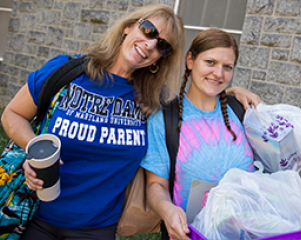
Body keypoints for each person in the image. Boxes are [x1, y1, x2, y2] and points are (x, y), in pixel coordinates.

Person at [1, 4, 260, 240]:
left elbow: (198, 97)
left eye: (163, 46)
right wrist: (35, 149)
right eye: (148, 31)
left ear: (162, 58)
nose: (150, 45)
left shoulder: (152, 101)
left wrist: (232, 91)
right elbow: (12, 114)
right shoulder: (67, 71)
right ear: (128, 27)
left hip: (96, 228)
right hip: (33, 214)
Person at [141, 28, 255, 240]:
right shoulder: (164, 119)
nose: (218, 74)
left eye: (227, 67)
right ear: (190, 61)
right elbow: (156, 185)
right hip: (190, 235)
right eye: (210, 62)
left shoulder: (242, 111)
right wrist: (167, 210)